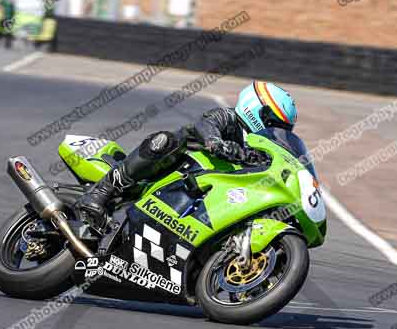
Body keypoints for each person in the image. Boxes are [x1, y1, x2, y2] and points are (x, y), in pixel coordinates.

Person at [78, 81, 298, 230]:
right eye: (272, 123)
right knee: (164, 141)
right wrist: (215, 143)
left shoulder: (257, 149)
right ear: (256, 109)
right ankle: (100, 192)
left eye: (280, 129)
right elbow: (206, 124)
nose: (273, 131)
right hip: (173, 169)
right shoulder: (228, 118)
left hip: (200, 195)